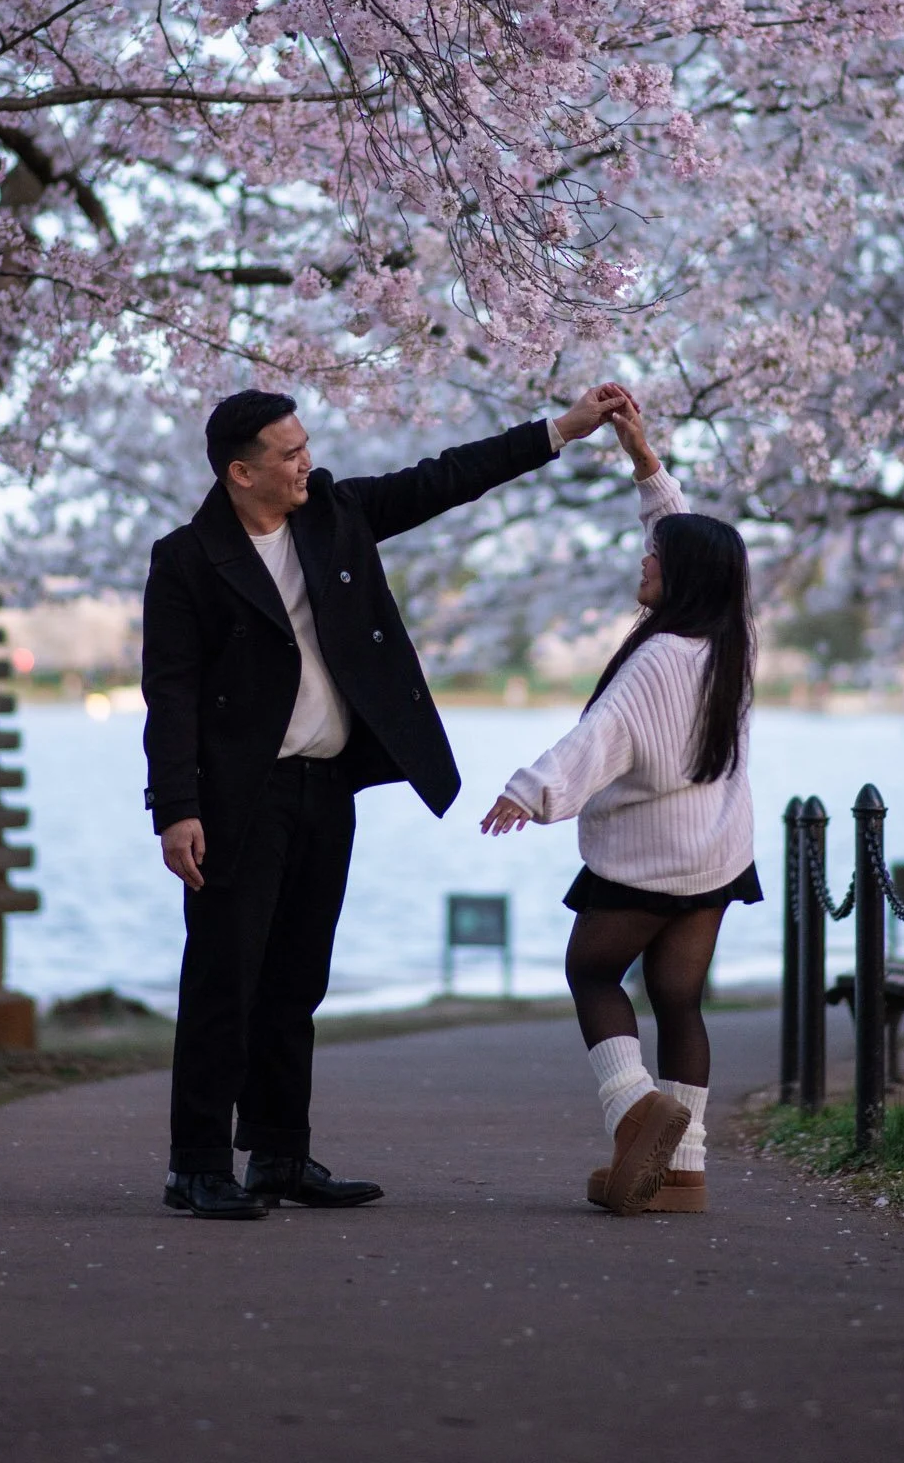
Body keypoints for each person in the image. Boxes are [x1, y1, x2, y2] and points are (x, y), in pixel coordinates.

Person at [143, 381, 635, 1219]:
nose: (307, 462)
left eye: (305, 445)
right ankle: (196, 1163)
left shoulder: (331, 516)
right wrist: (176, 809)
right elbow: (172, 691)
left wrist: (560, 431)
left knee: (297, 980)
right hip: (237, 801)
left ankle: (278, 1156)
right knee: (225, 978)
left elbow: (442, 479)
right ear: (239, 472)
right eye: (288, 454)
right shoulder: (188, 559)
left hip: (326, 787)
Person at [482, 402, 760, 1216]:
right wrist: (644, 460)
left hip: (644, 859)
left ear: (682, 579)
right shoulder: (732, 641)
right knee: (678, 1001)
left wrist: (527, 792)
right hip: (714, 855)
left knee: (592, 971)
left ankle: (635, 1110)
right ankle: (684, 1174)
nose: (643, 561)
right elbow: (685, 532)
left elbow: (597, 740)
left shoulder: (657, 661)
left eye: (654, 558)